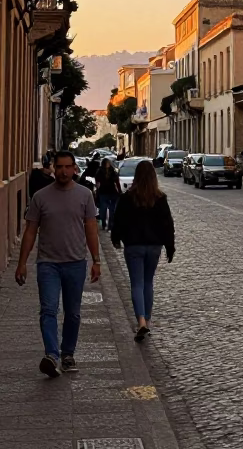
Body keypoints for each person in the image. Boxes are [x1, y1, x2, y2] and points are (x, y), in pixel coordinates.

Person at [14, 150, 100, 377]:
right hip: (47, 264)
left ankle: (68, 354)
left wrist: (96, 260)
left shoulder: (85, 195)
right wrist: (22, 263)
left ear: (74, 169)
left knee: (73, 313)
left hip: (75, 263)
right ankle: (51, 355)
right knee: (48, 310)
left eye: (67, 167)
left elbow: (91, 228)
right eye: (59, 167)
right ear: (53, 168)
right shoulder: (40, 197)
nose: (63, 171)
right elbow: (31, 231)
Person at [111, 159, 175, 343]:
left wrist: (117, 238)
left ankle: (140, 321)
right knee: (148, 283)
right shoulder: (160, 199)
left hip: (134, 246)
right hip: (154, 246)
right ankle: (146, 320)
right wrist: (170, 246)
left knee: (137, 284)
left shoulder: (126, 198)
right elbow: (167, 224)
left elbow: (119, 220)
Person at [94, 159, 121, 232]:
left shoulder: (112, 171)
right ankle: (103, 224)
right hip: (103, 193)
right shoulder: (100, 172)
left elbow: (117, 182)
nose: (107, 164)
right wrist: (97, 192)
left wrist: (119, 191)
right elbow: (97, 183)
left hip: (112, 193)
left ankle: (110, 226)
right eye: (106, 163)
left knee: (112, 210)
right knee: (103, 210)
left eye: (108, 163)